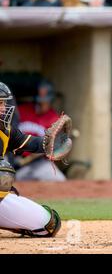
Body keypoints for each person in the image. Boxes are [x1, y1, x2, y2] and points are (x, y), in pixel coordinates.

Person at [0, 82, 62, 238]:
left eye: (3, 103)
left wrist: (48, 143)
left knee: (49, 223)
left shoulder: (4, 130)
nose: (3, 108)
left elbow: (26, 142)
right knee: (3, 171)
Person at [15, 80, 66, 181]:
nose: (42, 103)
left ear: (51, 100)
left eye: (46, 101)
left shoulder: (54, 118)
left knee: (60, 180)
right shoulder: (21, 110)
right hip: (16, 161)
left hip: (39, 164)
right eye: (40, 101)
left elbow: (52, 148)